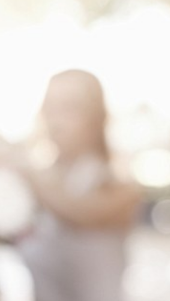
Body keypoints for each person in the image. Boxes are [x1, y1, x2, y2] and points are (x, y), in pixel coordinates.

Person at [17, 69, 142, 301]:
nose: (56, 121)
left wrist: (29, 177)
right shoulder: (35, 183)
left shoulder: (117, 181)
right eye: (50, 107)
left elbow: (84, 213)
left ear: (96, 117)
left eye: (69, 108)